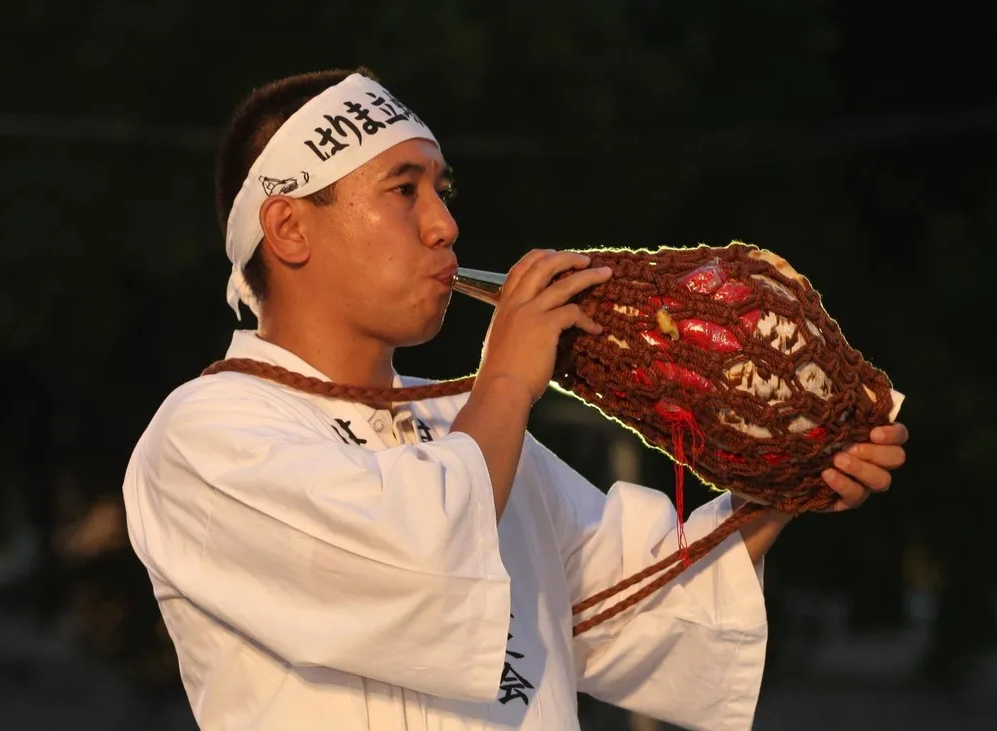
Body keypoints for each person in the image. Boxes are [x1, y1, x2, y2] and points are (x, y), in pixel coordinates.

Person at [121, 67, 909, 731]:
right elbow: (412, 563)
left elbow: (631, 607)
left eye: (442, 189)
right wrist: (506, 380)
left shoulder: (462, 428)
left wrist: (788, 477)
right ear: (289, 229)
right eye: (405, 190)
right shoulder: (203, 438)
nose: (445, 224)